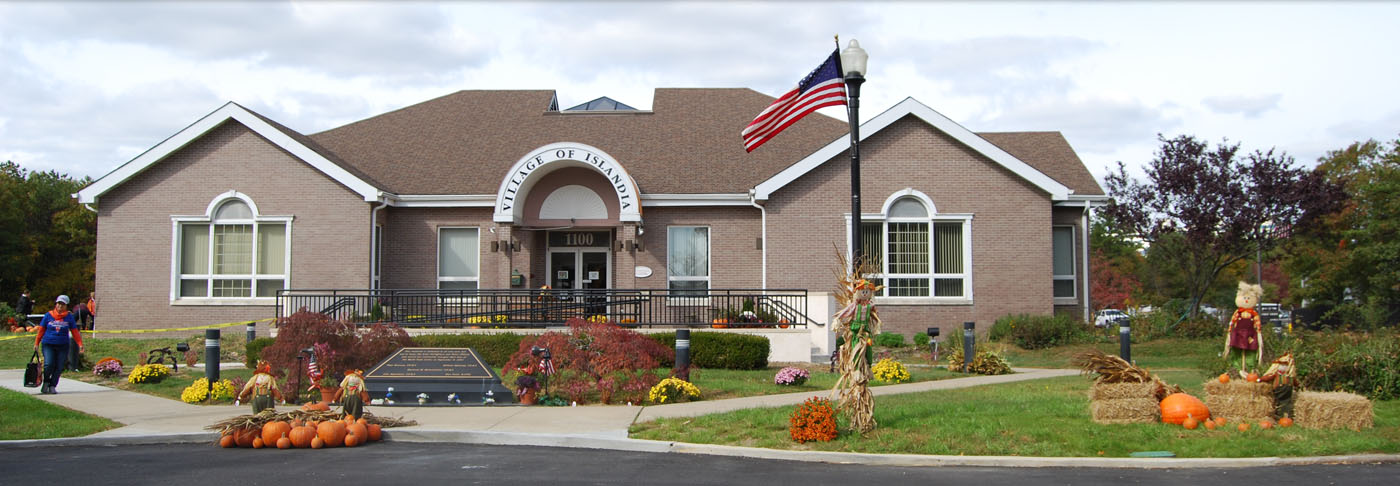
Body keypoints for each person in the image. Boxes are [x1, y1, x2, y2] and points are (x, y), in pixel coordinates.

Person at [32, 295, 83, 394]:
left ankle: (52, 385)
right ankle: (46, 382)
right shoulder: (48, 315)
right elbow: (41, 330)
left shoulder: (69, 317)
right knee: (49, 364)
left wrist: (80, 344)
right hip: (48, 344)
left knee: (59, 366)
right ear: (56, 304)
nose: (60, 306)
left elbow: (75, 332)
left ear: (66, 306)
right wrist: (36, 343)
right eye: (59, 303)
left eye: (63, 304)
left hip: (63, 345)